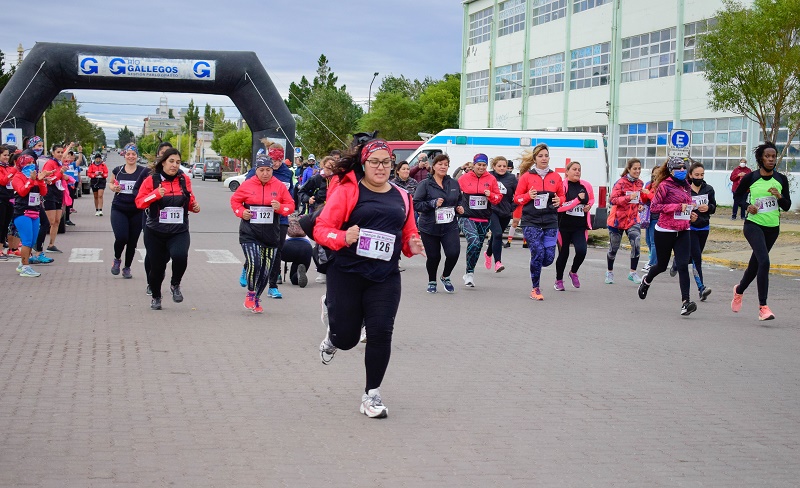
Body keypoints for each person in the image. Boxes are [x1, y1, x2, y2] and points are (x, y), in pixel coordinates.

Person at [313, 137, 424, 418]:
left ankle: (371, 395)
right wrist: (342, 236)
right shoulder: (347, 191)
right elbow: (321, 228)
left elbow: (407, 232)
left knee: (381, 333)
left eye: (386, 162)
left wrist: (412, 244)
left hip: (384, 276)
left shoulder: (402, 197)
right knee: (347, 339)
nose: (381, 167)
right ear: (364, 164)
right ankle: (333, 331)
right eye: (374, 162)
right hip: (347, 273)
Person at [731, 142, 791, 321]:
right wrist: (747, 206)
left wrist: (779, 197)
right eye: (767, 156)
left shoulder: (781, 179)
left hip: (773, 228)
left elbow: (787, 206)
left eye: (773, 156)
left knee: (755, 265)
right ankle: (763, 307)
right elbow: (738, 196)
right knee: (764, 261)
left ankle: (739, 290)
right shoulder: (751, 178)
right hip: (753, 225)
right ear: (760, 158)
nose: (771, 159)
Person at [135, 148, 201, 310]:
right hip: (155, 231)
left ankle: (175, 284)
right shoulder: (152, 180)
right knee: (157, 268)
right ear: (163, 162)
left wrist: (194, 207)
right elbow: (139, 202)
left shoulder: (184, 180)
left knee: (180, 256)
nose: (174, 165)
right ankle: (156, 296)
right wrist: (156, 194)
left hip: (179, 230)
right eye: (171, 161)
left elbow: (189, 199)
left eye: (178, 162)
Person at [231, 156, 295, 313]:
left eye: (268, 170)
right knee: (255, 263)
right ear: (256, 171)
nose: (265, 173)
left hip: (271, 233)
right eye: (262, 170)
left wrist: (280, 208)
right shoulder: (247, 185)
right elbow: (235, 201)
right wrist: (241, 212)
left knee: (266, 270)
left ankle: (257, 297)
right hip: (250, 232)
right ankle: (251, 293)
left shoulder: (279, 186)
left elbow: (291, 205)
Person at [637, 157, 698, 316]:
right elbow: (656, 207)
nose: (682, 171)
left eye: (684, 168)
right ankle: (646, 280)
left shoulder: (686, 186)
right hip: (665, 231)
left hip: (684, 230)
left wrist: (690, 215)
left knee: (683, 265)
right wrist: (677, 207)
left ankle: (686, 302)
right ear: (671, 171)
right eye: (679, 169)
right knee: (661, 266)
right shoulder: (664, 186)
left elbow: (686, 207)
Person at [513, 143, 564, 300]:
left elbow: (562, 197)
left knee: (548, 259)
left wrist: (558, 200)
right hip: (531, 221)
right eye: (540, 156)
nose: (544, 158)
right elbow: (517, 198)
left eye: (546, 155)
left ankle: (535, 262)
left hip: (550, 221)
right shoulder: (527, 177)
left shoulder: (556, 177)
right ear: (535, 159)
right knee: (538, 252)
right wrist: (529, 195)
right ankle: (535, 288)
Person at [413, 154, 463, 293]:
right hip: (429, 226)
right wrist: (432, 203)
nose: (443, 167)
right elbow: (416, 204)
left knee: (453, 253)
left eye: (445, 164)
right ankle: (432, 280)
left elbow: (459, 199)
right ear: (433, 166)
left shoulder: (453, 183)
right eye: (440, 164)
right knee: (434, 257)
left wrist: (459, 207)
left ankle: (445, 276)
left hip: (449, 225)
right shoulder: (425, 184)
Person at [671, 161, 716, 301]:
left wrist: (708, 208)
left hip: (704, 227)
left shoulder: (708, 189)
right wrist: (689, 213)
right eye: (696, 174)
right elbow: (678, 208)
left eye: (702, 174)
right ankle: (701, 288)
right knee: (697, 257)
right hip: (690, 228)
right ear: (690, 175)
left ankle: (678, 262)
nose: (699, 177)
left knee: (693, 256)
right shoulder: (685, 190)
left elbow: (714, 206)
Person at [457, 153, 502, 288]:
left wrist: (491, 195)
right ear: (474, 164)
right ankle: (469, 273)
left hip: (483, 218)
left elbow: (498, 198)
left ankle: (469, 272)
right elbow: (455, 193)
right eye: (479, 165)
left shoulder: (491, 179)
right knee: (474, 241)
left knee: (477, 247)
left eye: (484, 165)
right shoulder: (464, 178)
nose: (481, 167)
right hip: (466, 217)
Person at [108, 143, 148, 279]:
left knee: (132, 241)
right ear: (124, 155)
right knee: (122, 237)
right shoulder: (118, 170)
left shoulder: (144, 171)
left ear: (137, 156)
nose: (131, 156)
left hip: (137, 210)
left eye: (133, 154)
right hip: (119, 208)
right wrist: (113, 188)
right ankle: (117, 259)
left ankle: (127, 267)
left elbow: (149, 185)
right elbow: (111, 183)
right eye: (128, 154)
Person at [554, 160, 594, 291]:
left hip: (580, 226)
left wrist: (588, 205)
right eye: (574, 169)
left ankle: (573, 272)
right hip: (563, 226)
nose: (577, 172)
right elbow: (559, 208)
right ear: (567, 172)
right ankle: (559, 280)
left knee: (582, 251)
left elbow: (591, 199)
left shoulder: (586, 185)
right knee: (563, 254)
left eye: (579, 169)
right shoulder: (562, 186)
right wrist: (577, 200)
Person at [605, 158, 646, 285]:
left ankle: (633, 273)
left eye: (639, 168)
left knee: (637, 242)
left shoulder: (640, 183)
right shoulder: (620, 183)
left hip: (632, 220)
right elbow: (612, 200)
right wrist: (628, 197)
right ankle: (609, 272)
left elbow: (638, 199)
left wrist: (640, 205)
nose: (637, 171)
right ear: (629, 169)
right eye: (635, 168)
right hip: (617, 220)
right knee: (614, 248)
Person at [141, 141, 174, 296]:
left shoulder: (179, 176)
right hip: (150, 217)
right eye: (163, 152)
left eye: (169, 152)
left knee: (165, 256)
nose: (165, 155)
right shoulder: (149, 172)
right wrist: (152, 196)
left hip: (171, 223)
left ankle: (157, 276)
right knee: (152, 253)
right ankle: (151, 282)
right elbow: (138, 195)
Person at [11, 155, 52, 277]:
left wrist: (40, 180)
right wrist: (31, 180)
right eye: (28, 164)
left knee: (33, 240)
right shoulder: (17, 177)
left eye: (32, 163)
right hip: (22, 213)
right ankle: (25, 267)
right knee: (27, 241)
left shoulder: (36, 177)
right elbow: (22, 191)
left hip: (35, 212)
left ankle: (22, 262)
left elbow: (44, 192)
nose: (31, 166)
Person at [484, 156, 517, 273]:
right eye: (499, 166)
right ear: (494, 166)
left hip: (505, 212)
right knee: (497, 234)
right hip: (491, 210)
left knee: (496, 236)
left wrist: (512, 208)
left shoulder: (512, 178)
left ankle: (488, 254)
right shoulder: (488, 176)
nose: (502, 168)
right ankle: (498, 262)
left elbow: (518, 195)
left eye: (504, 166)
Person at [39, 143, 73, 254]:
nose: (60, 154)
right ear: (52, 153)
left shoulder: (60, 163)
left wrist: (65, 177)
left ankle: (51, 244)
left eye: (61, 152)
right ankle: (38, 244)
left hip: (59, 193)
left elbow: (60, 177)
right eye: (57, 152)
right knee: (49, 221)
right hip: (49, 194)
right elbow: (50, 179)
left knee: (57, 221)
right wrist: (60, 173)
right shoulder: (50, 163)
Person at [282, 213, 313, 287]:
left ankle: (277, 275)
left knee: (276, 254)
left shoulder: (283, 220)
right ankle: (298, 274)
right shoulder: (303, 222)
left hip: (287, 246)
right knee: (295, 278)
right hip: (306, 247)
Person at [0, 145, 16, 260]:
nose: (6, 157)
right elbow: (3, 180)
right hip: (1, 199)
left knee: (5, 225)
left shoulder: (7, 167)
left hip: (9, 199)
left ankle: (2, 249)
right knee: (0, 225)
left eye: (7, 155)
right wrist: (13, 171)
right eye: (4, 155)